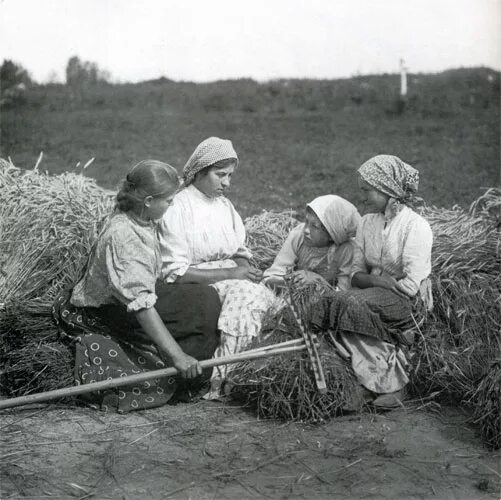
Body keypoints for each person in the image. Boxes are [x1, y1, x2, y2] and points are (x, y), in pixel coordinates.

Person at [52, 160, 221, 412]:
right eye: (169, 201)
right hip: (108, 311)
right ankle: (184, 373)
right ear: (149, 200)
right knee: (200, 312)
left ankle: (191, 362)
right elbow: (140, 305)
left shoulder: (139, 217)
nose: (171, 206)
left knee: (204, 298)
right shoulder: (124, 236)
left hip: (129, 297)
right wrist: (177, 356)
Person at [310, 154, 433, 409]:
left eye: (367, 190)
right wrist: (377, 282)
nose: (363, 197)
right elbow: (356, 272)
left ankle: (396, 384)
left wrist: (374, 282)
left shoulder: (415, 226)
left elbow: (409, 286)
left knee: (347, 303)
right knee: (335, 302)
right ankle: (363, 384)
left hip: (403, 302)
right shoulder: (367, 222)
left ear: (387, 189)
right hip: (373, 291)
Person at [159, 137, 278, 398]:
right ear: (200, 172)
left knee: (270, 296)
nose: (227, 183)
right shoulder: (178, 207)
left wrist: (247, 270)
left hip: (231, 275)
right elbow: (175, 272)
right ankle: (227, 377)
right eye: (220, 174)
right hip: (196, 282)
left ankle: (255, 369)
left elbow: (240, 251)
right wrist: (232, 274)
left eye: (230, 176)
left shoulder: (225, 207)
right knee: (246, 299)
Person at [262, 195, 361, 291]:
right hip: (293, 291)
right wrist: (292, 282)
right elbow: (271, 277)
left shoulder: (347, 250)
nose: (306, 230)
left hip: (326, 299)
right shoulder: (298, 235)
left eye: (315, 226)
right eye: (306, 221)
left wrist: (317, 281)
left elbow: (344, 294)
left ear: (332, 235)